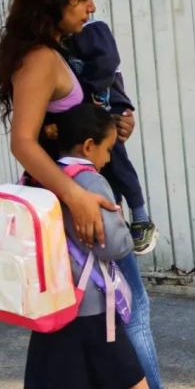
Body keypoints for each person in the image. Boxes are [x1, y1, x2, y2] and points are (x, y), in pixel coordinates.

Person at [0, 0, 195, 389]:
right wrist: (75, 196)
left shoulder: (56, 50)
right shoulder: (40, 59)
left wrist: (115, 121)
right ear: (54, 1)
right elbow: (24, 141)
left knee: (62, 317)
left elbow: (70, 122)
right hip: (70, 204)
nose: (90, 8)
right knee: (128, 304)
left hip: (70, 201)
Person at [17, 103, 195, 389]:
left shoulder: (40, 176)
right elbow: (115, 245)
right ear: (88, 146)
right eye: (107, 150)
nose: (107, 159)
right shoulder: (89, 182)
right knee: (134, 379)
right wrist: (120, 222)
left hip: (52, 298)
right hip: (89, 305)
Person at [65, 20, 158, 254]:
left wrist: (93, 90)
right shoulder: (51, 44)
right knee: (108, 167)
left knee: (115, 159)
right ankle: (122, 218)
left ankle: (140, 216)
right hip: (94, 113)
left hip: (108, 106)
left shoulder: (90, 30)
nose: (90, 6)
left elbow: (107, 63)